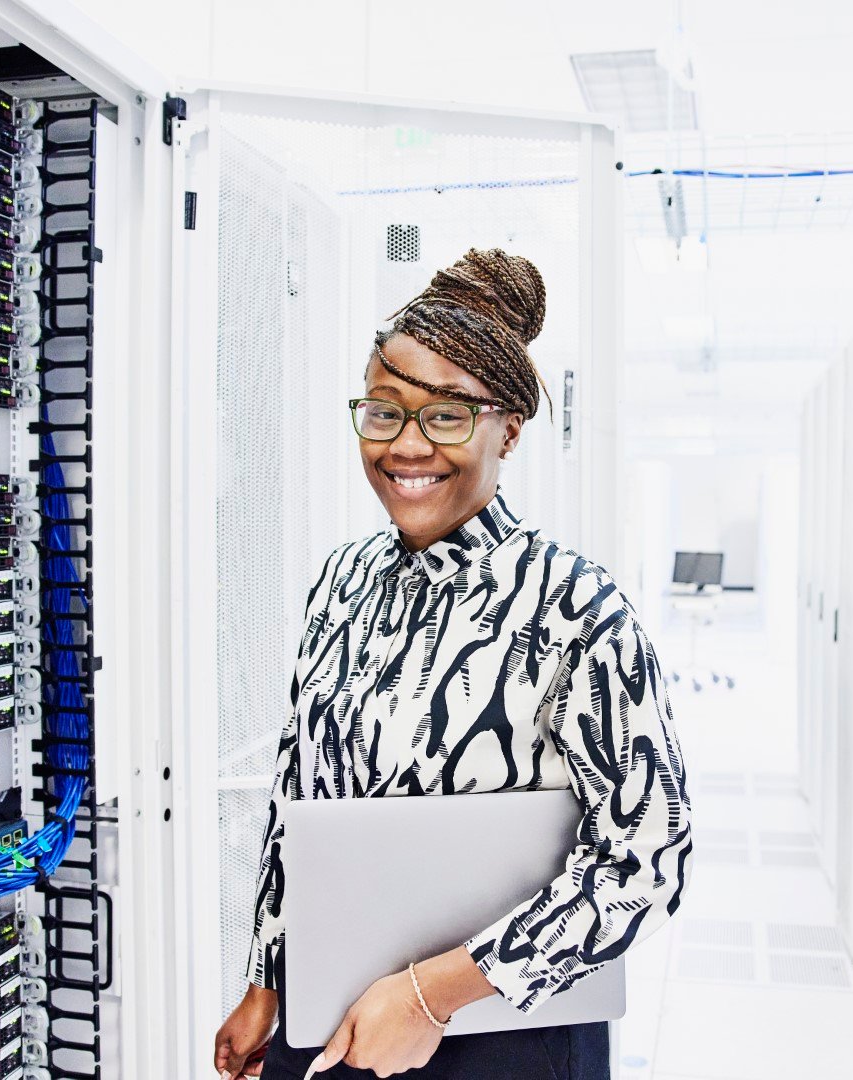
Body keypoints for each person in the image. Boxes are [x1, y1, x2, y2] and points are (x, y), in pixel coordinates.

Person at [213, 248, 693, 1080]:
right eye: (384, 411)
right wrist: (266, 975)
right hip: (333, 1015)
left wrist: (432, 995)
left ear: (508, 426)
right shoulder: (341, 581)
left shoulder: (575, 609)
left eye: (446, 416)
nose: (407, 446)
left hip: (506, 1032)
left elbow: (646, 857)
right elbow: (298, 796)